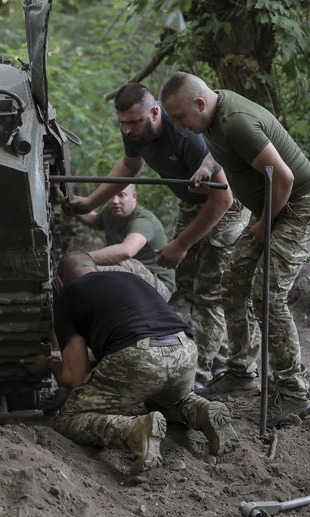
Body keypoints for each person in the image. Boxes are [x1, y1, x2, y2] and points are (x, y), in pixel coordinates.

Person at [159, 72, 310, 426]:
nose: (177, 127)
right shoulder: (212, 115)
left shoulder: (236, 121)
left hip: (304, 206)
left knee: (267, 293)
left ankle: (294, 392)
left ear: (199, 103)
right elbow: (219, 149)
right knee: (233, 281)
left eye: (179, 118)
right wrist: (206, 166)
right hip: (277, 208)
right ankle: (241, 374)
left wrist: (262, 225)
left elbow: (283, 178)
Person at [68, 82, 248, 384]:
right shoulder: (134, 133)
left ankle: (200, 375)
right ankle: (217, 360)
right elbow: (129, 166)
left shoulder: (186, 136)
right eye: (122, 123)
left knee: (209, 293)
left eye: (134, 122)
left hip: (226, 208)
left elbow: (224, 198)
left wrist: (182, 243)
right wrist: (88, 202)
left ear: (154, 112)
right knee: (188, 286)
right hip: (192, 204)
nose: (127, 130)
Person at [28, 252, 237, 474]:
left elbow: (75, 378)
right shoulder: (130, 278)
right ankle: (201, 410)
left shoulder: (68, 295)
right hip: (183, 348)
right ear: (95, 269)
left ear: (59, 282)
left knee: (69, 418)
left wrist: (50, 364)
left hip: (139, 355)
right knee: (163, 401)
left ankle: (133, 430)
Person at [74, 183, 175, 301]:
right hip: (133, 279)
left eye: (121, 195)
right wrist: (71, 205)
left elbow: (126, 251)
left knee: (115, 261)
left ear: (134, 196)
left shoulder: (144, 221)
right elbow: (94, 220)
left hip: (159, 286)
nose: (115, 201)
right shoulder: (110, 212)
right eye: (111, 196)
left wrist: (80, 259)